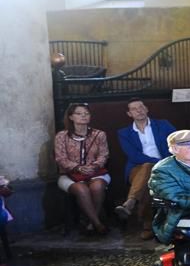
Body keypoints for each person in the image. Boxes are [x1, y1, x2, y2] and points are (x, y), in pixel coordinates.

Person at [114, 98, 174, 239]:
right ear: (129, 114)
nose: (139, 110)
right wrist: (156, 163)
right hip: (137, 168)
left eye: (141, 107)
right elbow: (134, 156)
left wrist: (161, 163)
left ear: (146, 109)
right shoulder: (124, 133)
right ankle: (148, 223)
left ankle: (133, 206)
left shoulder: (163, 125)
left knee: (148, 181)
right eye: (134, 109)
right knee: (147, 169)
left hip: (166, 165)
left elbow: (176, 143)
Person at [53, 102, 111, 235]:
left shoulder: (99, 134)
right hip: (69, 175)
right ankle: (97, 224)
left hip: (96, 172)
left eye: (86, 113)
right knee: (82, 189)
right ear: (71, 117)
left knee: (97, 187)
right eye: (79, 114)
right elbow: (60, 158)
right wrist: (78, 168)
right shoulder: (62, 136)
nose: (83, 116)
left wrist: (94, 166)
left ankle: (90, 223)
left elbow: (104, 154)